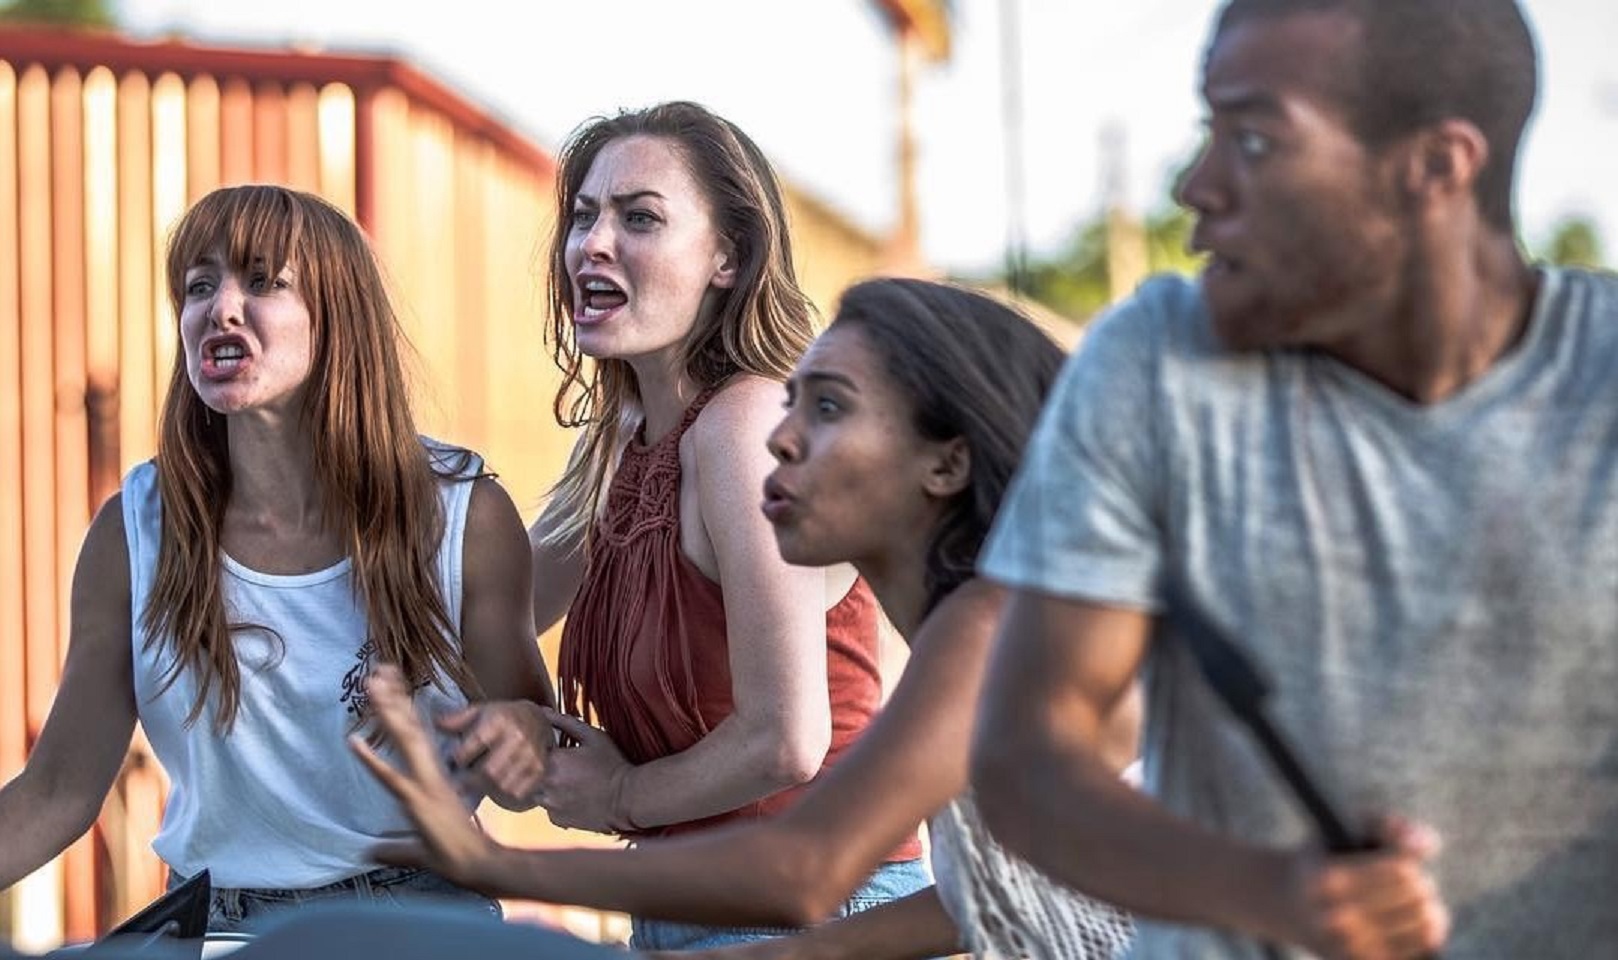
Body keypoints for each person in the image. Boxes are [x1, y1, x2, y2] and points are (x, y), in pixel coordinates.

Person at [968, 1, 1618, 958]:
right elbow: (1028, 756)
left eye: (1256, 139)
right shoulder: (1153, 362)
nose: (1197, 186)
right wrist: (1269, 893)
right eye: (1210, 132)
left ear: (1435, 167)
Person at [353, 277, 1139, 959]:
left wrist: (499, 866)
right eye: (794, 403)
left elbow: (809, 870)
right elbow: (986, 900)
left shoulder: (995, 628)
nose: (784, 438)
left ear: (946, 461)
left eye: (829, 408)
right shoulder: (979, 628)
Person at [0, 184, 556, 933]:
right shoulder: (134, 530)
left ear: (339, 319)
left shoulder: (462, 515)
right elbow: (59, 790)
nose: (221, 307)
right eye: (201, 286)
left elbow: (531, 771)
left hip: (419, 922)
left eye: (262, 282)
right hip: (210, 926)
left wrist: (521, 737)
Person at [498, 101, 926, 951]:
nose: (592, 243)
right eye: (583, 216)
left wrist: (617, 796)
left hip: (812, 911)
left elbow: (786, 738)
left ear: (727, 256)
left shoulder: (747, 426)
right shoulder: (619, 444)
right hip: (693, 909)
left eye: (639, 218)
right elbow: (489, 607)